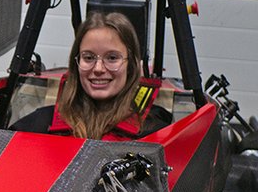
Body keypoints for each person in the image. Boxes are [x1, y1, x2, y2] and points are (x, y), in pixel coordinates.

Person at [10, 11, 170, 140]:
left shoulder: (155, 134)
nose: (98, 68)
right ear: (76, 63)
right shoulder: (38, 126)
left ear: (131, 66)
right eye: (88, 57)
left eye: (112, 58)